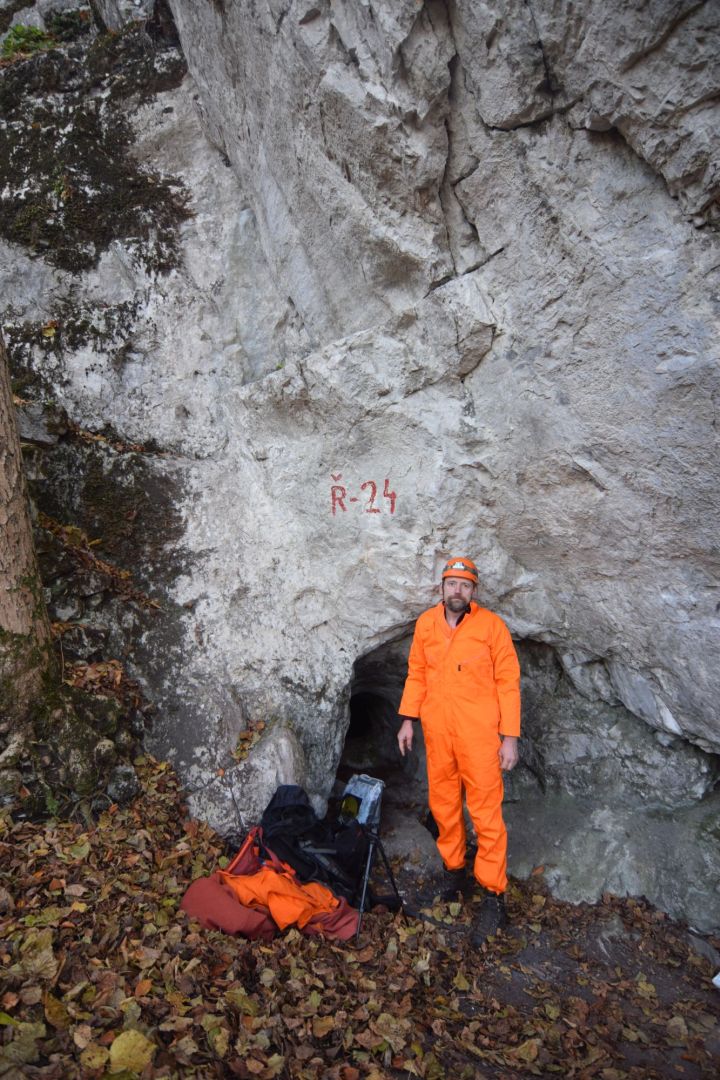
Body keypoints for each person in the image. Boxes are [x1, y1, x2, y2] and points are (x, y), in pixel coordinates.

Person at [397, 556, 521, 944]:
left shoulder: (491, 627)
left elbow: (509, 682)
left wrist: (510, 738)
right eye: (452, 583)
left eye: (465, 585)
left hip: (480, 737)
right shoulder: (426, 625)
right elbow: (416, 672)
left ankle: (492, 893)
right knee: (444, 805)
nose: (457, 591)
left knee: (485, 813)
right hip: (439, 734)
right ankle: (453, 873)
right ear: (441, 588)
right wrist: (407, 720)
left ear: (474, 592)